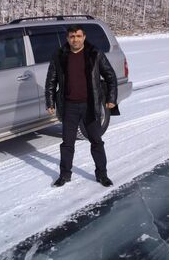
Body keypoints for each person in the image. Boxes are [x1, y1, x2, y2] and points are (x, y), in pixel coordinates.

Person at [45, 25, 118, 187]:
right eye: (72, 36)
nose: (75, 39)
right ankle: (65, 175)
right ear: (67, 38)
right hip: (69, 106)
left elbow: (110, 76)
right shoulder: (59, 55)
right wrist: (50, 101)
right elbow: (51, 80)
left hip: (90, 106)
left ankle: (102, 175)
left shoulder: (95, 54)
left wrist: (111, 98)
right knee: (67, 143)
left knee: (96, 141)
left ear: (84, 37)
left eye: (78, 36)